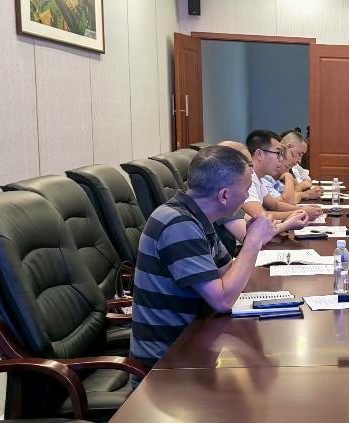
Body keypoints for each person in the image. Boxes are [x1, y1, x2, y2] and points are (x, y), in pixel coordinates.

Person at [129, 145, 281, 372]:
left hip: (195, 344)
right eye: (246, 189)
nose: (246, 197)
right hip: (166, 367)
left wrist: (253, 240)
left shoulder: (197, 219)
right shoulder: (178, 224)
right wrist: (253, 242)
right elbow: (222, 300)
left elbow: (229, 273)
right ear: (224, 195)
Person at [241, 129, 323, 221]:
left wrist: (301, 209)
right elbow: (259, 216)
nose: (280, 159)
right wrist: (302, 213)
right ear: (260, 154)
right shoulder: (246, 179)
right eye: (278, 153)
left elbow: (276, 205)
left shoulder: (257, 178)